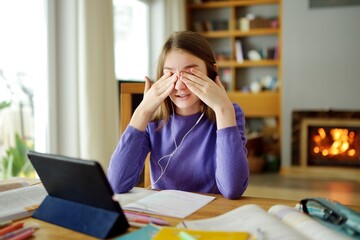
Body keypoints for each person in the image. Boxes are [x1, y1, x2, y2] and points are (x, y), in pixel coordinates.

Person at [107, 31, 249, 199]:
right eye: (171, 75)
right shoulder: (153, 119)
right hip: (166, 213)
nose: (180, 86)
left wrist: (224, 109)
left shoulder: (228, 113)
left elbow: (233, 189)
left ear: (212, 73)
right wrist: (143, 111)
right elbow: (116, 183)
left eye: (190, 73)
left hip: (210, 214)